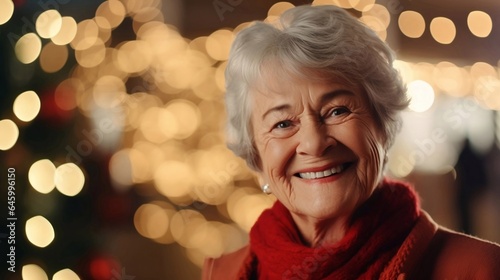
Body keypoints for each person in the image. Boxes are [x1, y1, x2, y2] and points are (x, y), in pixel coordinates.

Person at [203, 4, 500, 280]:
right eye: (282, 123)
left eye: (337, 111)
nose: (315, 143)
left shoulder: (480, 269)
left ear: (383, 124)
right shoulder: (222, 273)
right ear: (255, 153)